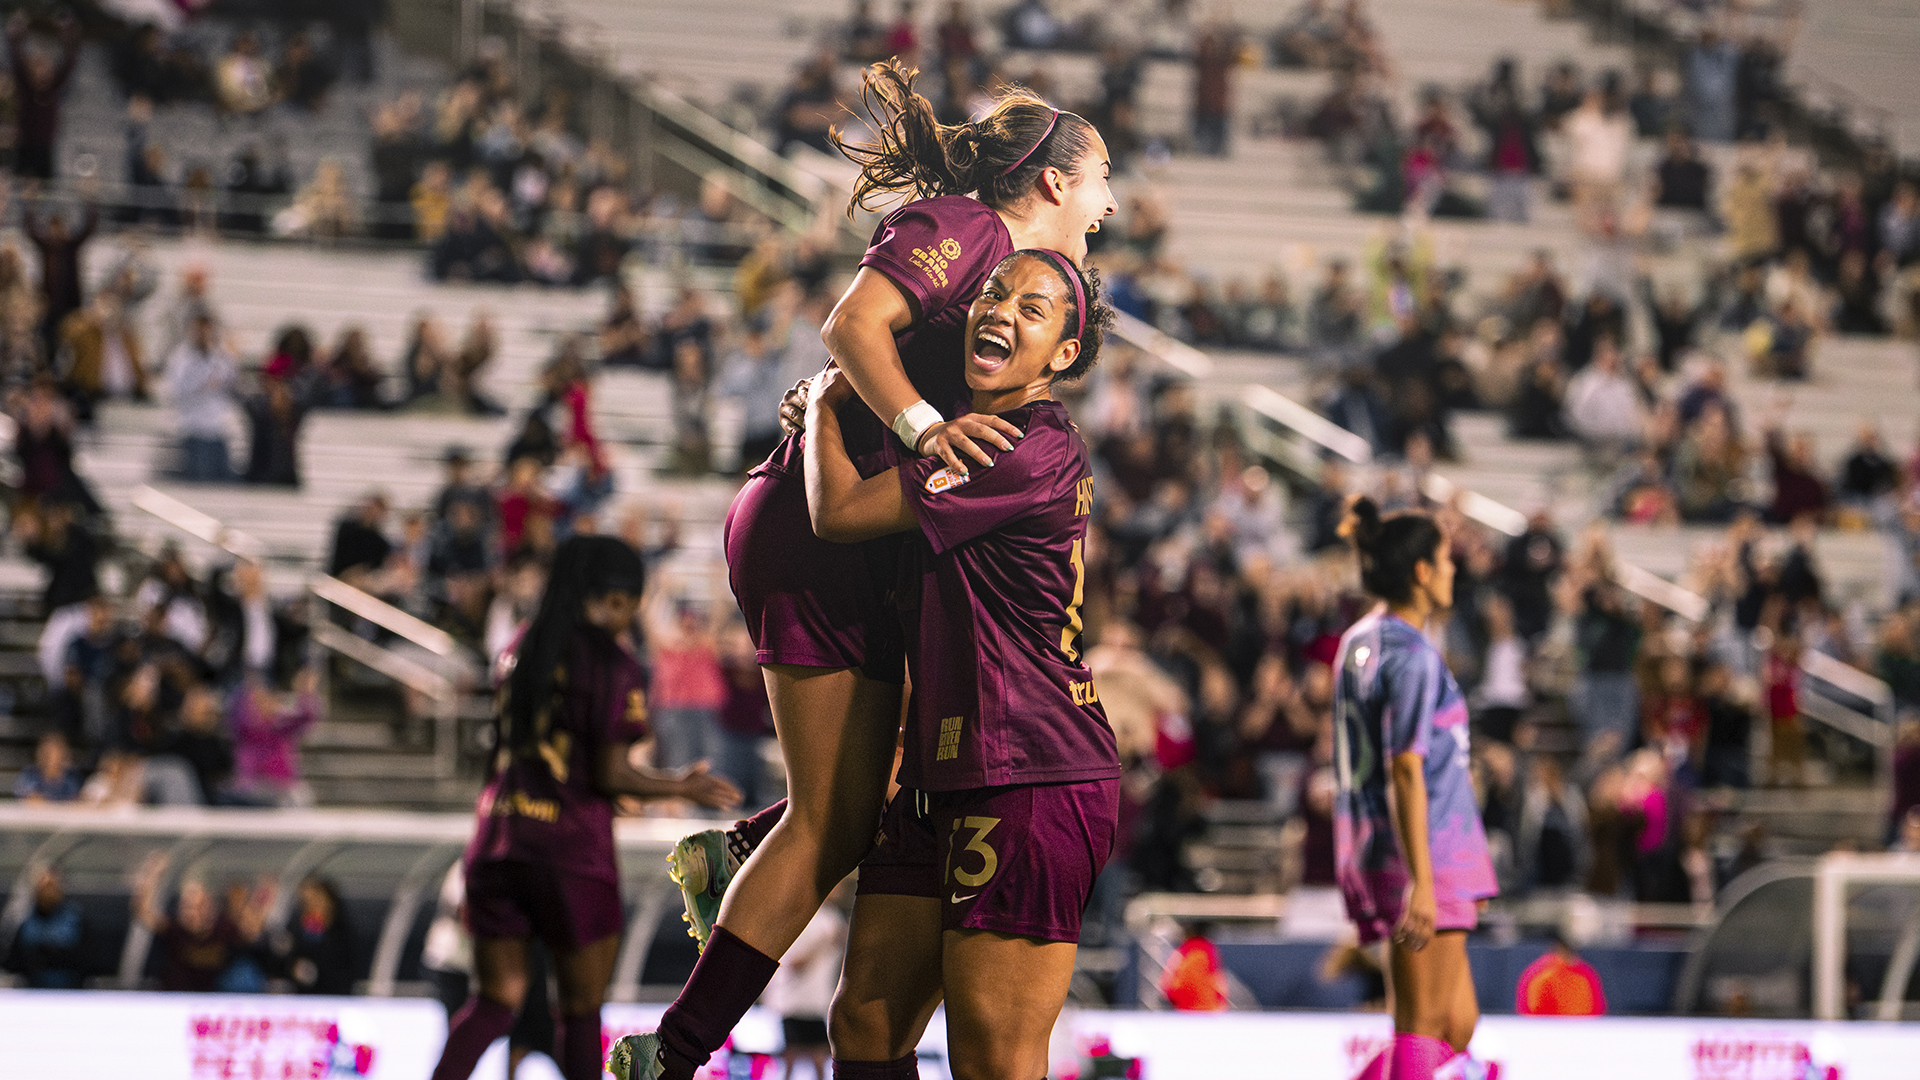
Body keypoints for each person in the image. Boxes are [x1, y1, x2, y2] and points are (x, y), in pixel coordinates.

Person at [610, 63, 1114, 1080]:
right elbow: (848, 327)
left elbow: (853, 368)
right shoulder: (976, 231)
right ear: (1055, 183)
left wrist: (849, 405)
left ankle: (746, 850)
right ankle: (673, 1045)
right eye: (1102, 176)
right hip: (821, 530)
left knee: (854, 811)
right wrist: (912, 422)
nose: (1109, 202)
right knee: (836, 817)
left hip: (849, 531)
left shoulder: (1016, 380)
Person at [716, 248, 1119, 1080]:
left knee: (992, 1059)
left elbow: (841, 512)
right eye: (995, 291)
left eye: (1033, 309)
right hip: (945, 769)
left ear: (1064, 356)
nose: (1000, 309)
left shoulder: (1019, 443)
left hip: (1029, 771)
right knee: (864, 1025)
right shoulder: (969, 431)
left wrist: (828, 401)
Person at [429, 535, 740, 1080]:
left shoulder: (519, 646)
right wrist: (680, 787)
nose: (624, 621)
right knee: (578, 1010)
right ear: (606, 597)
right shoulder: (609, 662)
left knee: (493, 1002)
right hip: (570, 850)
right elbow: (609, 773)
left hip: (497, 837)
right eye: (623, 605)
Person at [1332, 497, 1497, 1080]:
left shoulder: (1356, 641)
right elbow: (1406, 767)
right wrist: (1422, 883)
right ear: (1422, 572)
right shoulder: (1416, 655)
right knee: (1422, 1030)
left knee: (1455, 1025)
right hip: (1426, 854)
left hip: (1370, 846)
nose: (1454, 571)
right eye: (1447, 560)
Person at [5, 868, 87, 988]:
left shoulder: (75, 919)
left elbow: (86, 959)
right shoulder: (24, 920)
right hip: (32, 991)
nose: (48, 891)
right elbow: (13, 961)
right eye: (44, 886)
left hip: (70, 992)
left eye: (52, 885)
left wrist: (55, 955)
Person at [1515, 933, 1606, 1015]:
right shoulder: (1541, 974)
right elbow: (1530, 1009)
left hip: (1578, 1028)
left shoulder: (1585, 974)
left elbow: (1596, 1008)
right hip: (1546, 1028)